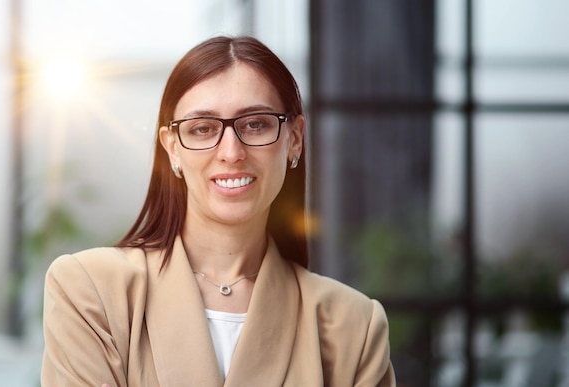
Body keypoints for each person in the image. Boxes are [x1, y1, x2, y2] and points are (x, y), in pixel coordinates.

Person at [41, 35, 396, 386]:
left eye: (256, 124)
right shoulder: (90, 291)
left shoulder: (354, 326)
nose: (231, 151)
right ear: (173, 149)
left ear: (295, 139)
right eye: (202, 128)